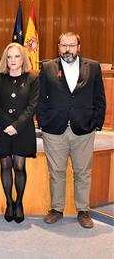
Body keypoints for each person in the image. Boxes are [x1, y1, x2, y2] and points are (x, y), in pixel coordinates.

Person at [38, 31, 106, 229]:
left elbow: (99, 98)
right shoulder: (48, 67)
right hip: (54, 129)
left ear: (79, 47)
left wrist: (96, 123)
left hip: (84, 129)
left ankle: (83, 211)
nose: (67, 49)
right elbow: (41, 98)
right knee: (56, 171)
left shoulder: (92, 67)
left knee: (83, 171)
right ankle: (56, 209)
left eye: (72, 45)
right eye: (63, 45)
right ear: (58, 47)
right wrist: (43, 122)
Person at [0, 43, 39, 223]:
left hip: (23, 130)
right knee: (5, 166)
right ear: (5, 59)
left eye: (16, 56)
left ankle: (19, 203)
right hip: (3, 129)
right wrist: (7, 125)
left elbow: (33, 106)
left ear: (23, 58)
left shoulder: (32, 79)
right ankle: (9, 202)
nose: (13, 60)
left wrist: (16, 126)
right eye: (9, 57)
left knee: (19, 167)